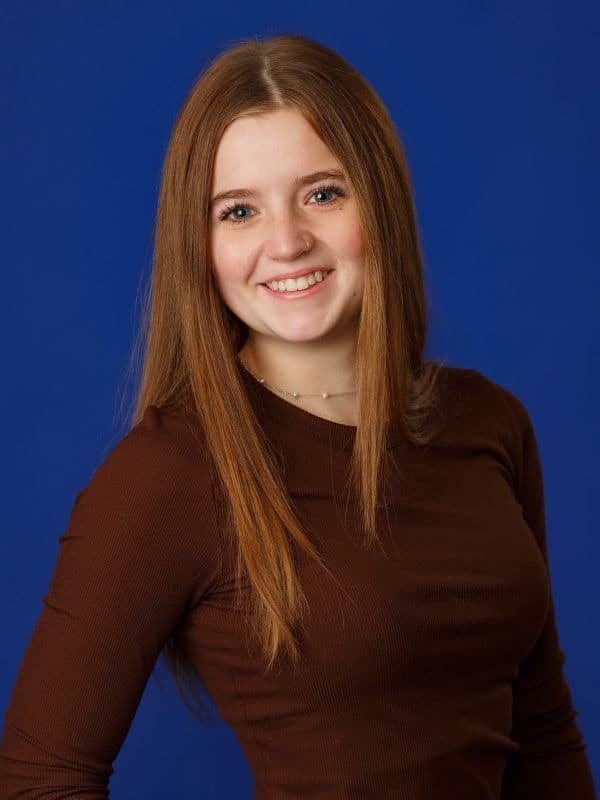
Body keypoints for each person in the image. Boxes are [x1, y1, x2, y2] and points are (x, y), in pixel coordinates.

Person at [0, 33, 596, 799]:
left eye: (322, 194)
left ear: (377, 200)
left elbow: (543, 733)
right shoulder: (169, 474)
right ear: (199, 243)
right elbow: (38, 780)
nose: (286, 243)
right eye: (238, 210)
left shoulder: (489, 422)